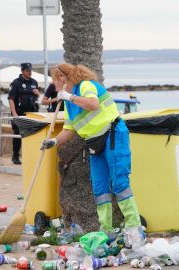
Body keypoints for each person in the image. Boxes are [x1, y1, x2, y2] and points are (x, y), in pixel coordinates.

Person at [41, 63, 142, 243]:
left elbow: (93, 104)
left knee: (119, 182)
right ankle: (107, 230)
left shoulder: (85, 86)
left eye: (54, 80)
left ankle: (134, 227)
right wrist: (54, 141)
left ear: (62, 79)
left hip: (112, 134)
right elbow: (69, 129)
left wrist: (70, 97)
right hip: (95, 143)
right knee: (100, 187)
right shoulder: (69, 104)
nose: (53, 84)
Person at [8, 63, 40, 164]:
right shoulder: (16, 83)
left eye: (30, 70)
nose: (29, 72)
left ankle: (29, 156)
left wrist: (38, 94)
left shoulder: (34, 82)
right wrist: (14, 114)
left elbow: (36, 99)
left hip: (31, 113)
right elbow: (11, 99)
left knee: (32, 134)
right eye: (27, 70)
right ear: (22, 71)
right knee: (18, 135)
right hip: (19, 113)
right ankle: (15, 156)